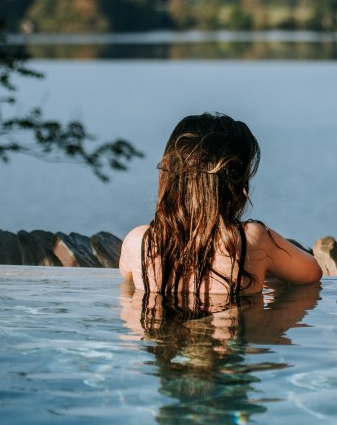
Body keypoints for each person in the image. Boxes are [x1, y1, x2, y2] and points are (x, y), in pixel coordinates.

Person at [120, 113, 321, 302]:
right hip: (233, 335)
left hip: (160, 338)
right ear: (238, 185)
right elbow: (312, 272)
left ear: (168, 178)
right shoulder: (250, 239)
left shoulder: (138, 242)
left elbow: (127, 274)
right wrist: (265, 265)